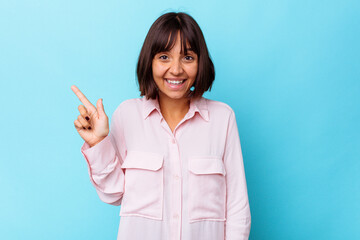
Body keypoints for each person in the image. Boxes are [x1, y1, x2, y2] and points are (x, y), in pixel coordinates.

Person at [71, 12, 251, 240]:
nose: (176, 70)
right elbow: (113, 194)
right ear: (150, 61)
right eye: (164, 57)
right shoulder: (128, 114)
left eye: (187, 57)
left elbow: (237, 207)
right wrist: (98, 143)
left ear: (200, 62)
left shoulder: (222, 118)